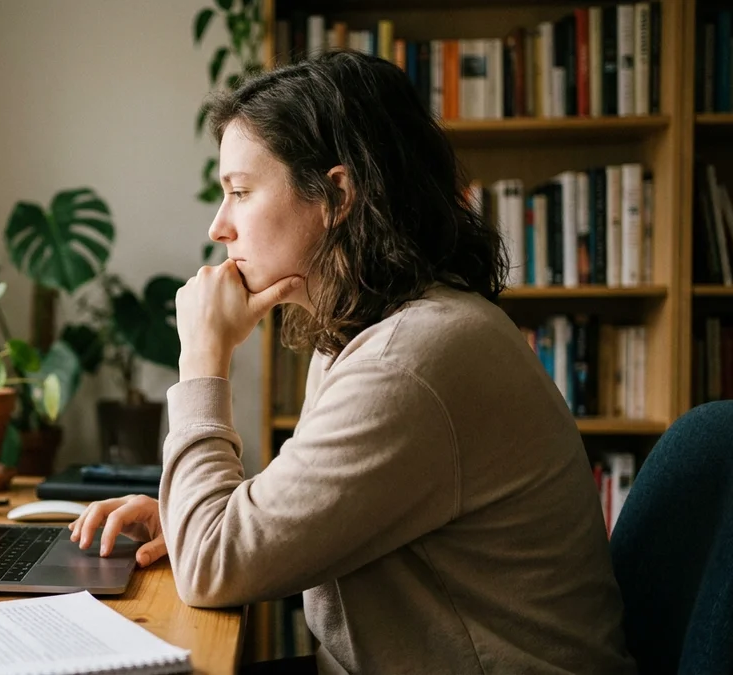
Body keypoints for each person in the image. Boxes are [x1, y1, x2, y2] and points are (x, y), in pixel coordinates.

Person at [68, 50, 636, 675]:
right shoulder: (364, 329)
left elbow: (212, 568)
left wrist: (203, 358)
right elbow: (280, 525)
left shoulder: (409, 362)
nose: (218, 226)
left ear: (336, 194)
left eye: (239, 192)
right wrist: (184, 519)